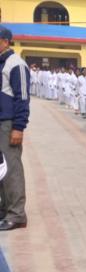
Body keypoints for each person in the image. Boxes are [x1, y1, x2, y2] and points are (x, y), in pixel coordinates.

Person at [0, 26, 30, 231]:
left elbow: (23, 98)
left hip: (8, 124)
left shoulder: (16, 64)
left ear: (4, 41)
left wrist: (18, 127)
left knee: (11, 168)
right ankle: (5, 208)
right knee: (1, 170)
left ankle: (17, 214)